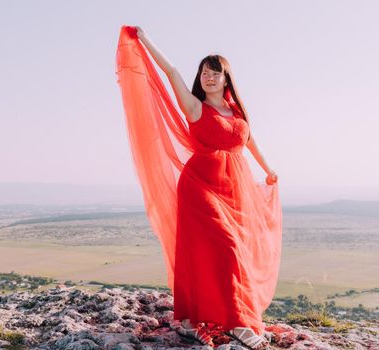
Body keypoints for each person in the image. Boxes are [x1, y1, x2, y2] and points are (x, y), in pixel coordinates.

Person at [115, 25, 282, 350]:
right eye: (204, 72)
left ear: (226, 78)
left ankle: (192, 320)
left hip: (234, 191)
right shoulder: (195, 108)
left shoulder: (236, 112)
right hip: (199, 187)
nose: (209, 77)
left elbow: (251, 143)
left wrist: (268, 169)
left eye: (215, 73)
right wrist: (145, 39)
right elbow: (172, 71)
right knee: (229, 249)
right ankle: (237, 325)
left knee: (231, 253)